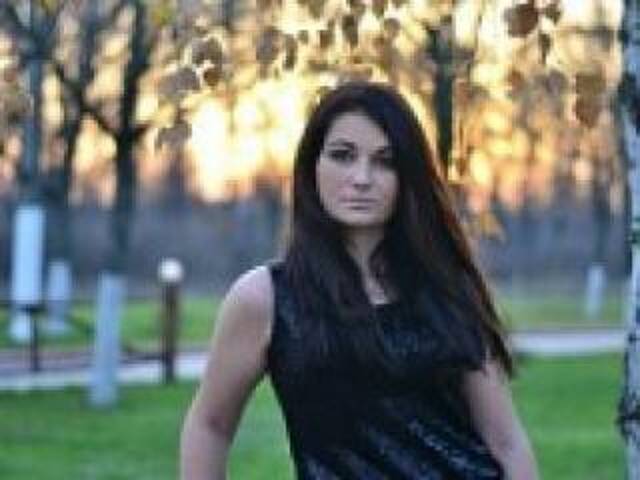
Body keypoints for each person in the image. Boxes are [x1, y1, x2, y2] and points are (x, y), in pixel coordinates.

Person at [180, 81, 539, 479]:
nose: (362, 178)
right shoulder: (265, 299)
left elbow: (505, 440)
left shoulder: (446, 286)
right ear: (313, 165)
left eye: (385, 161)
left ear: (408, 177)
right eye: (343, 155)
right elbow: (210, 425)